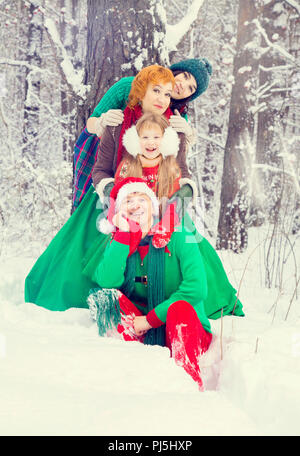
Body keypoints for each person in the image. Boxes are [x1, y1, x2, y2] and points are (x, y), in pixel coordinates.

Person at [25, 64, 244, 324]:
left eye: (189, 88)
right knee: (83, 250)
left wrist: (177, 202)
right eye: (182, 77)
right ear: (144, 89)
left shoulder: (176, 125)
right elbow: (101, 166)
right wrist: (113, 194)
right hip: (117, 194)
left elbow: (182, 172)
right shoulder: (119, 118)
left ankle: (167, 304)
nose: (174, 90)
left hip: (160, 199)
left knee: (189, 248)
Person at [87, 177, 212, 390]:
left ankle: (186, 381)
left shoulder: (180, 235)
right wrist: (124, 236)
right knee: (104, 299)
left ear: (153, 206)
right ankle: (135, 369)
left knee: (180, 308)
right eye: (128, 201)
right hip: (141, 327)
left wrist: (151, 320)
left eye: (141, 199)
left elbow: (197, 288)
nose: (135, 205)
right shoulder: (119, 239)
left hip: (185, 327)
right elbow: (107, 281)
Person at [72, 58, 212, 209]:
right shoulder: (127, 87)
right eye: (185, 76)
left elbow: (178, 161)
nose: (182, 86)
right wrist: (102, 122)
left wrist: (188, 134)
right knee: (91, 205)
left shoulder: (177, 117)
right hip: (103, 149)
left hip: (142, 174)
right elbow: (91, 123)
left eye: (191, 88)